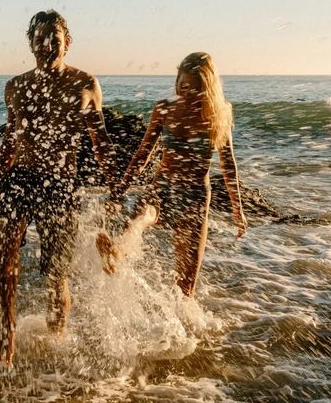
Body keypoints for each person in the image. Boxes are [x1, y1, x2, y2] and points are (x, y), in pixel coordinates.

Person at [0, 10, 116, 366]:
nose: (47, 46)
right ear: (30, 44)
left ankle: (56, 337)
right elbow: (10, 141)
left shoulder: (85, 84)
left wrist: (114, 190)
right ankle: (7, 333)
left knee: (56, 274)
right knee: (6, 253)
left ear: (67, 42)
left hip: (60, 184)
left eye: (54, 39)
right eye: (40, 39)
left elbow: (101, 140)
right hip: (22, 178)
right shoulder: (16, 86)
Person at [97, 52, 247, 296]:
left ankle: (181, 330)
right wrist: (120, 190)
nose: (187, 92)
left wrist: (238, 210)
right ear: (177, 80)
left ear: (208, 87)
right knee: (144, 216)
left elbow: (228, 166)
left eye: (195, 88)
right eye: (183, 85)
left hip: (195, 199)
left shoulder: (219, 115)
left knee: (186, 285)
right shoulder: (164, 109)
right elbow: (143, 155)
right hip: (162, 187)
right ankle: (115, 252)